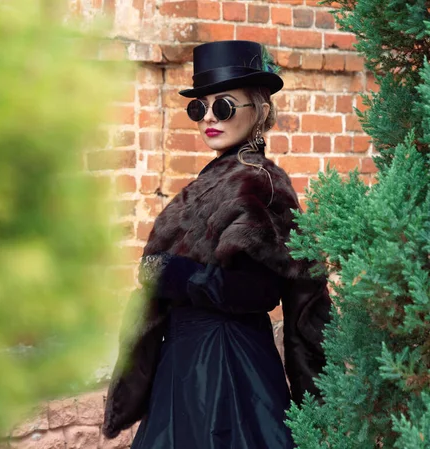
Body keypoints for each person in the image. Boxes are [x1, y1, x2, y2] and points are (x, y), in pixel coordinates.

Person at [103, 40, 332, 448]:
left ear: (258, 111)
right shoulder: (218, 178)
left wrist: (179, 276)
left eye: (223, 106)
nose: (209, 116)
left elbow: (261, 289)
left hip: (228, 368)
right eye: (199, 107)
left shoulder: (260, 182)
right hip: (185, 364)